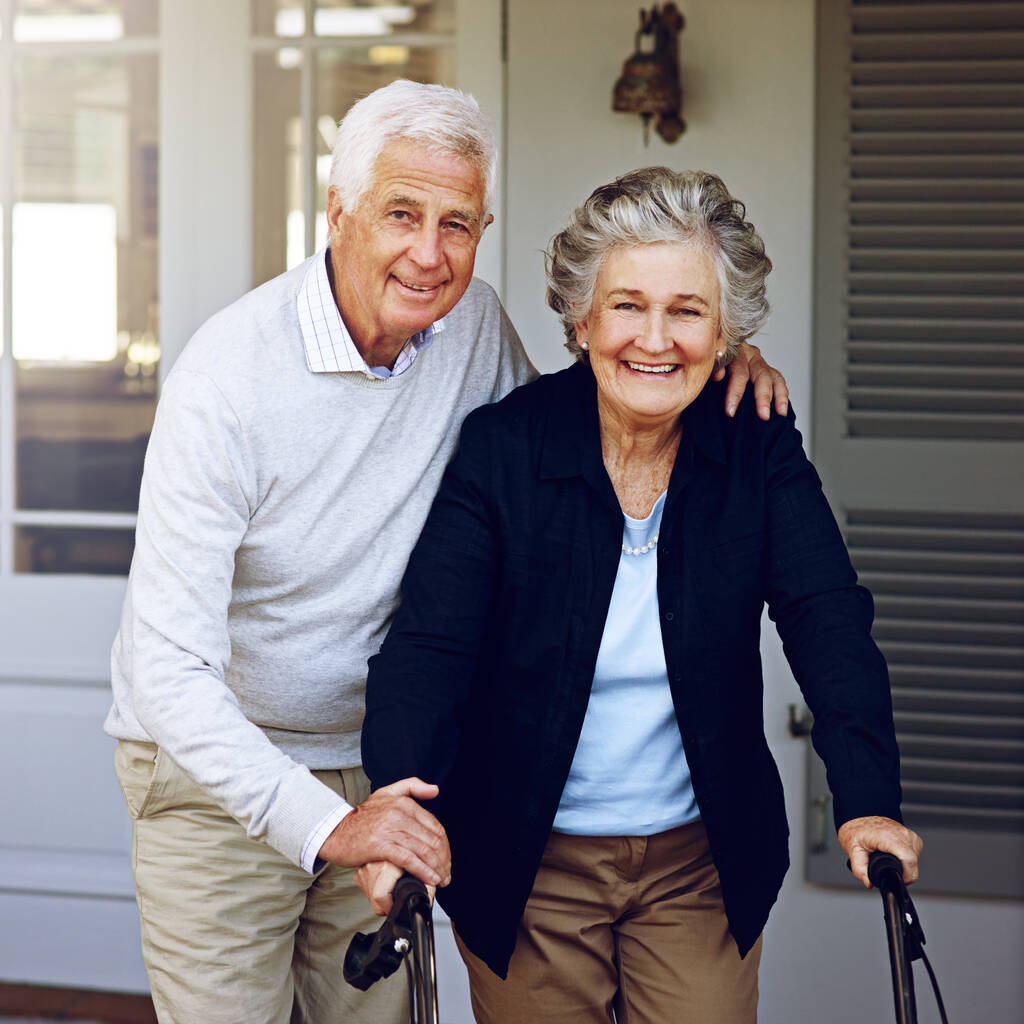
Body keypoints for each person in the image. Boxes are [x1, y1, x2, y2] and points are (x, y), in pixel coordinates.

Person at [104, 82, 785, 1024]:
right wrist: (328, 821)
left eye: (458, 223)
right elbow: (166, 671)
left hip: (399, 774)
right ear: (336, 213)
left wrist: (707, 367)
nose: (430, 254)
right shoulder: (225, 381)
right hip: (221, 772)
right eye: (400, 213)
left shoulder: (470, 328)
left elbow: (577, 427)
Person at [361, 166, 923, 1023]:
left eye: (688, 311)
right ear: (582, 321)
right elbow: (431, 650)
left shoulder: (755, 449)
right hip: (525, 859)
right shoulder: (505, 450)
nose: (654, 339)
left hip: (697, 863)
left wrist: (869, 798)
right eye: (627, 305)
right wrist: (398, 804)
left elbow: (826, 618)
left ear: (727, 332)